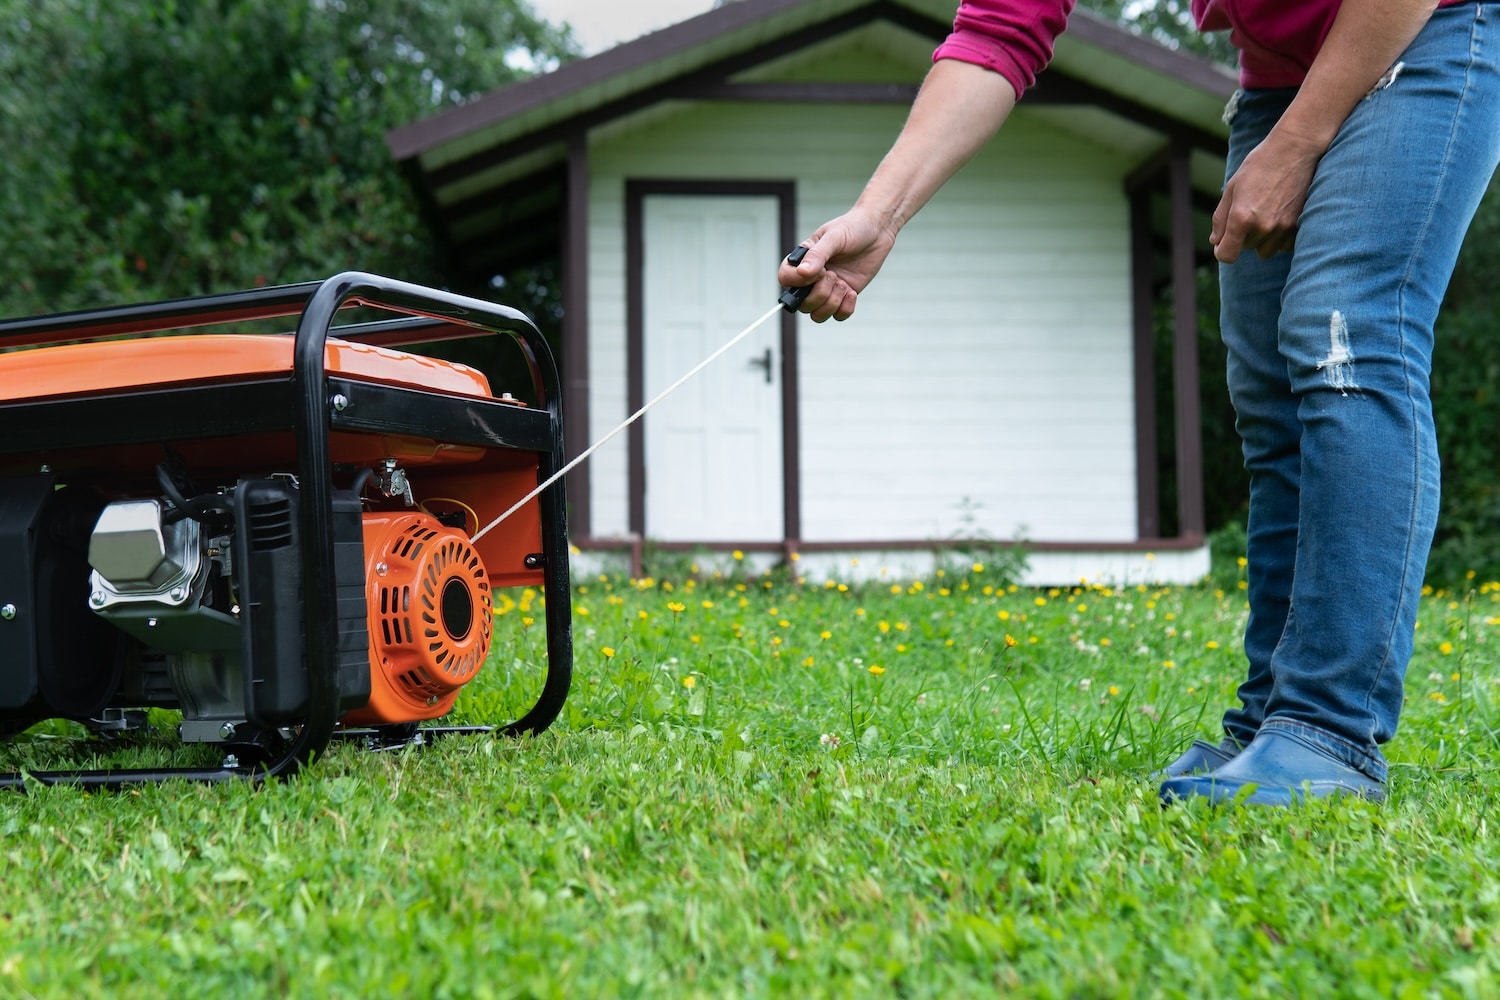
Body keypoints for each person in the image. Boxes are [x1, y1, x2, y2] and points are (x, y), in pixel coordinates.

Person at [778, 0, 1500, 806]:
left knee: (1345, 335)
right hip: (1280, 76)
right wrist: (880, 216)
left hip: (1418, 25)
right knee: (1271, 395)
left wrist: (1298, 142)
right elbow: (996, 33)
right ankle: (1270, 722)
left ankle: (1329, 732)